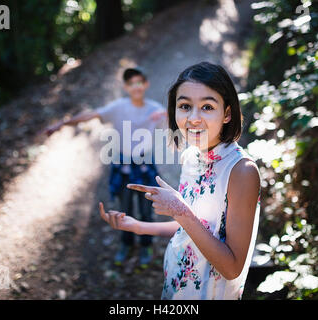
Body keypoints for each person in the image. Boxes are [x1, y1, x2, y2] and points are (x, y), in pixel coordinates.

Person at [99, 61, 261, 299]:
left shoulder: (242, 172)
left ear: (227, 113)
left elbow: (232, 267)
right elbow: (194, 225)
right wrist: (138, 227)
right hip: (176, 288)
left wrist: (179, 210)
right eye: (185, 106)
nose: (193, 118)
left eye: (207, 106)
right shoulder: (191, 156)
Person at [44, 67, 167, 267]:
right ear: (126, 87)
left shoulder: (155, 109)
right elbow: (91, 115)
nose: (136, 87)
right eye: (131, 83)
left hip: (145, 168)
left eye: (139, 82)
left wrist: (167, 113)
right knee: (125, 209)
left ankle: (146, 245)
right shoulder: (118, 107)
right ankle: (126, 244)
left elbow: (177, 123)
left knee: (146, 210)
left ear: (146, 84)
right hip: (123, 168)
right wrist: (62, 123)